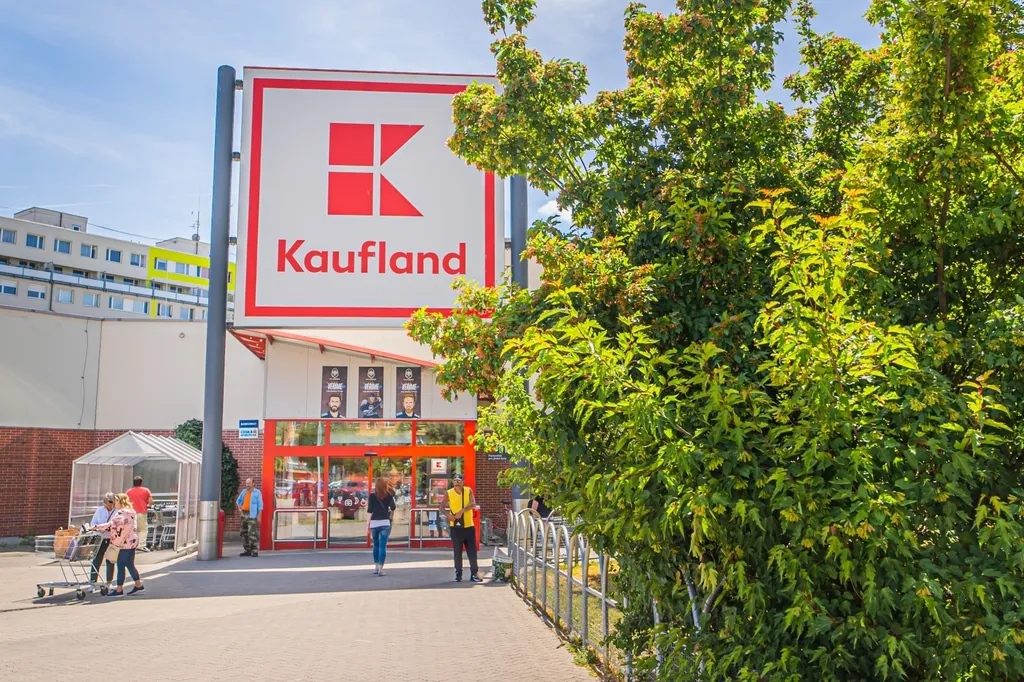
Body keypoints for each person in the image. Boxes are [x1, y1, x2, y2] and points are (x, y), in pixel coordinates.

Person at [94, 493, 144, 597]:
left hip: (124, 543)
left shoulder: (121, 513)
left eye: (116, 501)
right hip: (132, 542)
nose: (114, 503)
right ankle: (138, 585)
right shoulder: (131, 512)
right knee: (129, 564)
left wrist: (94, 527)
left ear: (121, 501)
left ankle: (119, 589)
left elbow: (110, 524)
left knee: (120, 565)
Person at [444, 474, 482, 583]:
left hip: (468, 526)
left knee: (472, 552)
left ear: (462, 482)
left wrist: (461, 511)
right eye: (455, 481)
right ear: (453, 482)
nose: (457, 483)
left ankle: (474, 574)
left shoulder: (468, 490)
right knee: (457, 551)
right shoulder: (449, 493)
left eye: (459, 481)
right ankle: (458, 574)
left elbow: (473, 503)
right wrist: (448, 515)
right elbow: (441, 507)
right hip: (455, 527)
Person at [367, 477, 397, 576]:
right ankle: (380, 569)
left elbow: (369, 510)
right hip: (385, 523)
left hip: (374, 523)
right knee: (382, 546)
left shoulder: (372, 496)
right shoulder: (388, 495)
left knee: (375, 545)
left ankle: (376, 567)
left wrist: (367, 524)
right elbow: (393, 507)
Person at [86, 492, 117, 587]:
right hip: (100, 538)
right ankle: (93, 582)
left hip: (111, 539)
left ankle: (109, 582)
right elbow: (93, 523)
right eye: (108, 502)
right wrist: (99, 528)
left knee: (110, 560)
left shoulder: (117, 511)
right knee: (96, 560)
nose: (110, 505)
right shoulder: (99, 510)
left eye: (112, 502)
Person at [236, 478, 263, 557]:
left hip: (252, 515)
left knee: (252, 533)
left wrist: (259, 516)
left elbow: (260, 505)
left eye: (249, 483)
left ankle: (254, 550)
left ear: (253, 483)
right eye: (247, 483)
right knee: (244, 532)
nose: (247, 485)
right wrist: (239, 508)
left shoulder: (257, 492)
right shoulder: (244, 491)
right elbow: (238, 501)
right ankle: (247, 550)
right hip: (244, 514)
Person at [125, 476, 153, 552]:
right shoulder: (146, 490)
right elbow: (150, 501)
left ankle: (131, 545)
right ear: (141, 483)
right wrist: (148, 506)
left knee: (132, 529)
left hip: (131, 513)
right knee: (142, 529)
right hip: (141, 512)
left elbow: (126, 502)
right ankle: (141, 545)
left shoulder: (128, 492)